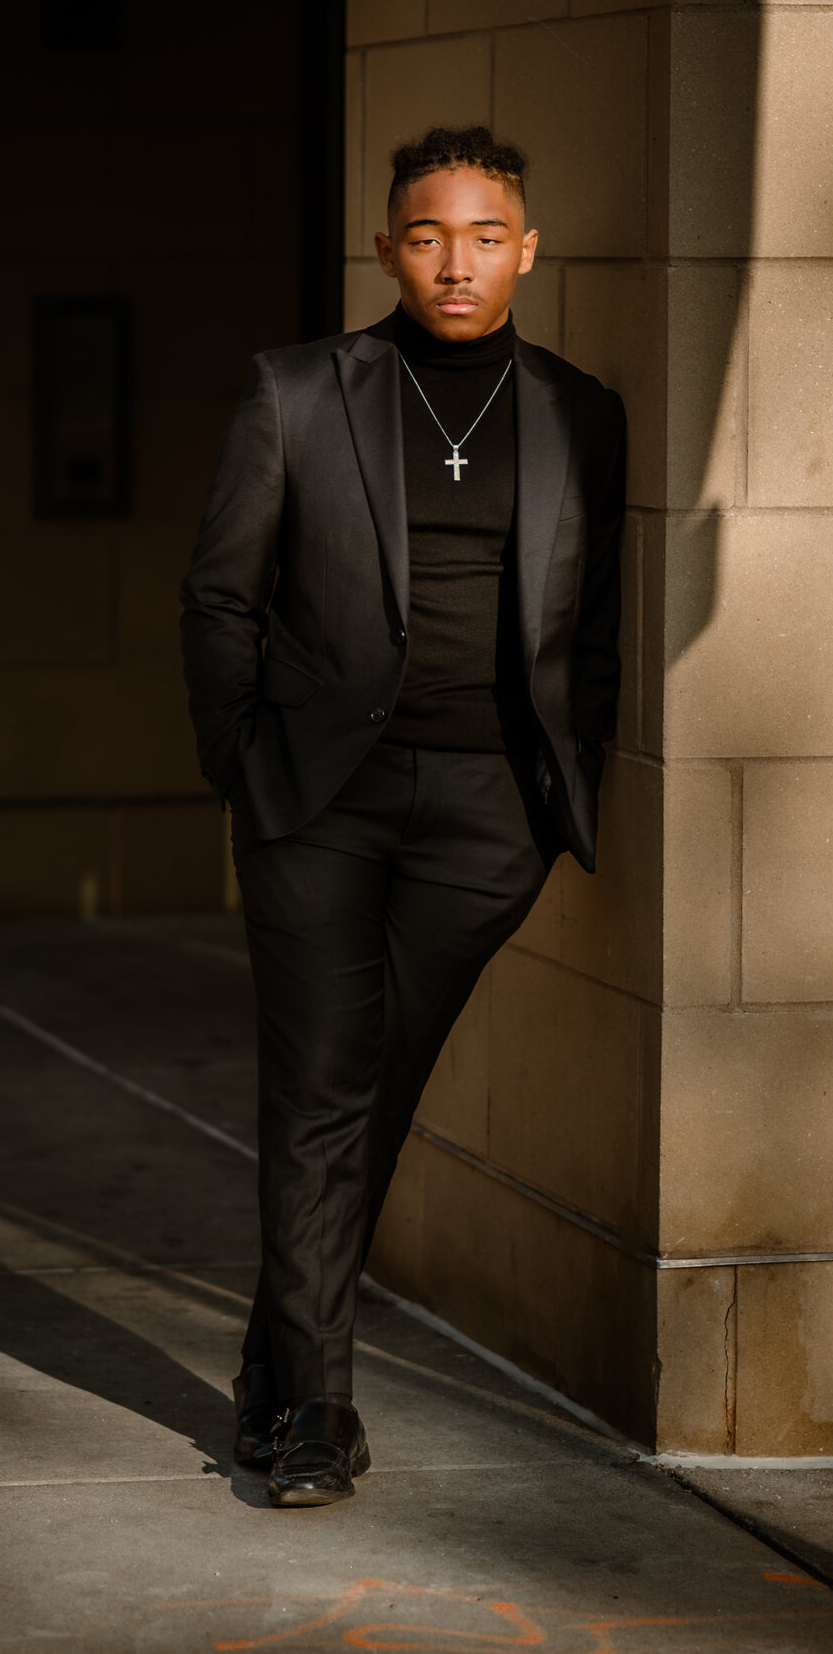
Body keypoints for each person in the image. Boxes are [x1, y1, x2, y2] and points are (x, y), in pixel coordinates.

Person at [180, 124, 625, 1507]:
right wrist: (244, 768)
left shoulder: (576, 411)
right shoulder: (301, 390)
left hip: (488, 812)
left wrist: (563, 804)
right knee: (320, 1081)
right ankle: (319, 1411)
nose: (457, 261)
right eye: (428, 234)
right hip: (318, 797)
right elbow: (219, 597)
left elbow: (592, 629)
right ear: (388, 248)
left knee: (379, 1090)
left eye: (487, 235)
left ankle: (272, 1368)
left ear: (527, 249)